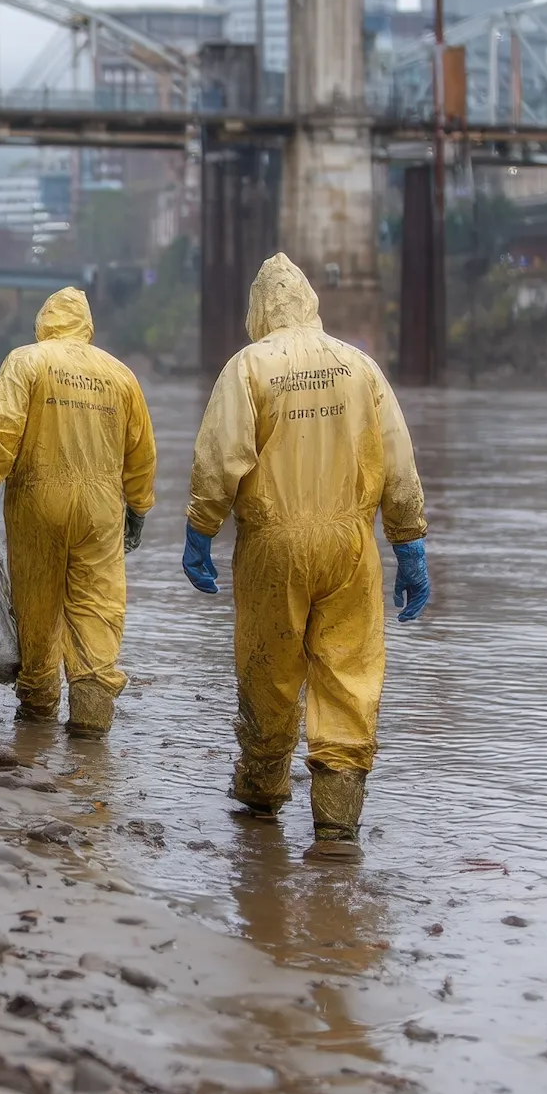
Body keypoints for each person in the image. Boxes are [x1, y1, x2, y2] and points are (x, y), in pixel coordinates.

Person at [183, 253, 431, 864]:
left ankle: (263, 792)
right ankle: (337, 826)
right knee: (348, 674)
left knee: (269, 669)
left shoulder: (249, 367)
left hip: (274, 544)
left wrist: (200, 528)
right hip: (351, 547)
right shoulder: (360, 366)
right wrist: (409, 540)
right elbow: (397, 458)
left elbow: (220, 458)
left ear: (260, 307)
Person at [0, 287, 156, 738]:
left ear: (44, 321)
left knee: (37, 604)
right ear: (87, 325)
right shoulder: (119, 374)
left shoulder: (27, 361)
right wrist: (139, 506)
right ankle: (90, 716)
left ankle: (39, 711)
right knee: (98, 604)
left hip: (37, 499)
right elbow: (141, 451)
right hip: (101, 507)